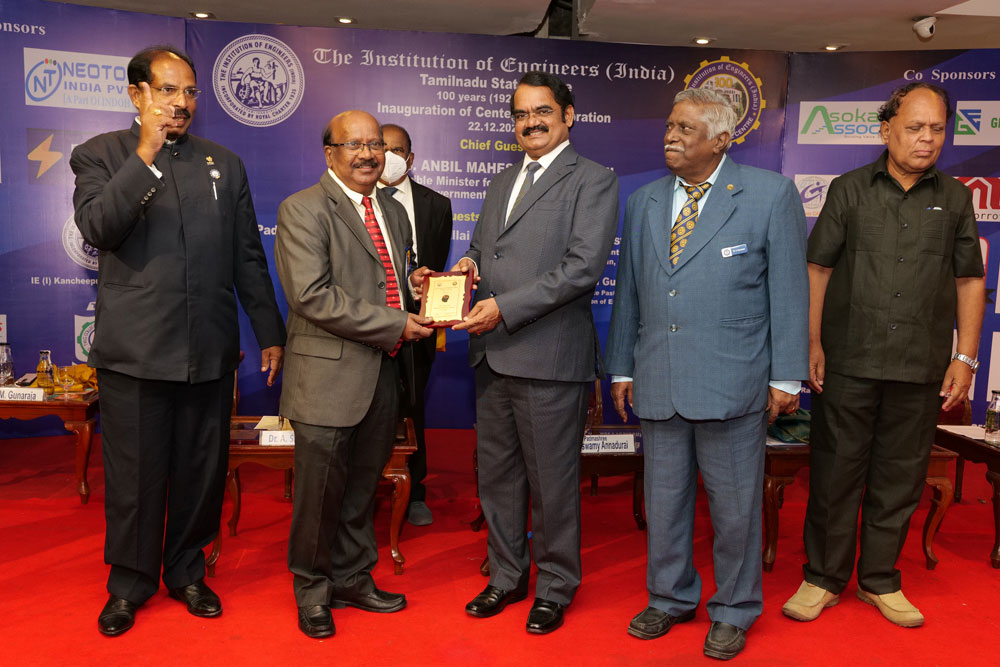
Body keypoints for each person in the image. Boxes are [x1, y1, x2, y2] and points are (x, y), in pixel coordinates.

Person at [70, 45, 286, 637]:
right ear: (136, 94)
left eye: (189, 91)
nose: (181, 103)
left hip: (209, 348)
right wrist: (146, 152)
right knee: (135, 478)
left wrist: (269, 330)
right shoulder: (100, 154)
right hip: (135, 352)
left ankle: (188, 571)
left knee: (201, 470)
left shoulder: (224, 164)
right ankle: (129, 584)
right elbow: (99, 228)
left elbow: (247, 255)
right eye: (167, 90)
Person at [604, 87, 808, 660]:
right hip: (658, 378)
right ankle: (669, 598)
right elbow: (630, 293)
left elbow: (789, 292)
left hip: (734, 383)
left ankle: (735, 608)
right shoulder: (644, 200)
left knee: (735, 509)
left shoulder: (770, 195)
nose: (670, 136)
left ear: (721, 140)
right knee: (665, 502)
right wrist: (620, 366)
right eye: (670, 126)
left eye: (685, 129)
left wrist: (786, 378)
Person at [782, 82, 984, 628]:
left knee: (900, 478)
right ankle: (823, 578)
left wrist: (965, 358)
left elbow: (970, 279)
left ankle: (880, 581)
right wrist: (811, 342)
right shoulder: (848, 190)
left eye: (937, 129)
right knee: (834, 475)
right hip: (849, 360)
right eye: (915, 128)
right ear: (885, 129)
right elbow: (817, 268)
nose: (927, 139)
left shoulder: (956, 197)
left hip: (920, 366)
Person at [452, 71, 619, 634]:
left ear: (568, 116)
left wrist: (503, 307)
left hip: (549, 356)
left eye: (542, 111)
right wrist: (466, 268)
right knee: (498, 478)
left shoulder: (593, 180)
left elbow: (581, 269)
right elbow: (483, 249)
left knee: (552, 484)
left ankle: (555, 585)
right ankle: (506, 576)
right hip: (492, 355)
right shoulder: (503, 180)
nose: (531, 123)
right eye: (521, 114)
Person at [274, 110, 433, 639]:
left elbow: (389, 278)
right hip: (326, 378)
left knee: (363, 490)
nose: (368, 154)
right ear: (330, 153)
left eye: (375, 145)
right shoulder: (302, 209)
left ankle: (352, 577)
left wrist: (416, 283)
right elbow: (311, 295)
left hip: (383, 374)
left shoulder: (394, 210)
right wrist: (396, 322)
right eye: (354, 145)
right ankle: (312, 591)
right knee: (319, 496)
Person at [377, 123, 453, 526]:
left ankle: (415, 491)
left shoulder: (436, 205)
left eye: (397, 150)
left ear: (410, 158)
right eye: (382, 147)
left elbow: (436, 270)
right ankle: (369, 488)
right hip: (369, 326)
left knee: (413, 408)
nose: (388, 156)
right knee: (370, 408)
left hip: (420, 325)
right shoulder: (360, 200)